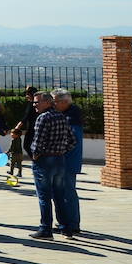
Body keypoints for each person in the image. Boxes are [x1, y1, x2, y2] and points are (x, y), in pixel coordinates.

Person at [29, 91, 74, 240]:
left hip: (44, 161)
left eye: (37, 102)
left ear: (47, 102)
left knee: (44, 196)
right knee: (60, 196)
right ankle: (66, 228)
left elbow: (38, 143)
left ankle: (45, 229)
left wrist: (35, 155)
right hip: (59, 160)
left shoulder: (43, 118)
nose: (34, 105)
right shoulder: (62, 117)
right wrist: (61, 150)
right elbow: (73, 140)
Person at [54, 90, 83, 237]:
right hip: (67, 161)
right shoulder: (70, 115)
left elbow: (71, 142)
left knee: (68, 193)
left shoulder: (71, 118)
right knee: (64, 193)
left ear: (64, 102)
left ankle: (72, 224)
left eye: (55, 102)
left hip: (67, 161)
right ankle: (65, 222)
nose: (54, 105)